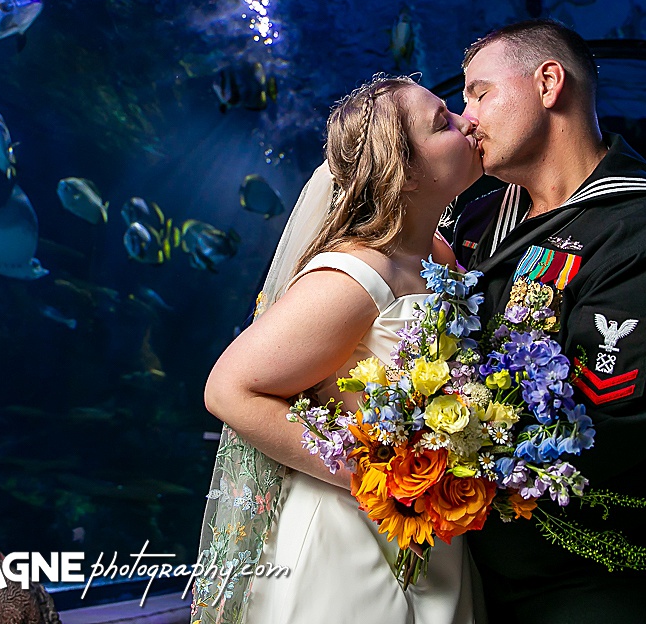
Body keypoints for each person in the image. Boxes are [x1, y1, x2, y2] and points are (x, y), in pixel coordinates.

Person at [454, 20, 646, 624]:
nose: (466, 118)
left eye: (480, 93)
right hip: (484, 573)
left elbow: (599, 433)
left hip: (609, 584)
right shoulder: (476, 220)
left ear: (548, 83)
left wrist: (415, 442)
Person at [194, 75, 484, 623]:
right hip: (347, 544)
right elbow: (227, 390)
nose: (467, 122)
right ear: (404, 170)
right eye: (442, 122)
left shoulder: (439, 254)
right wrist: (374, 476)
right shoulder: (353, 277)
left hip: (428, 532)